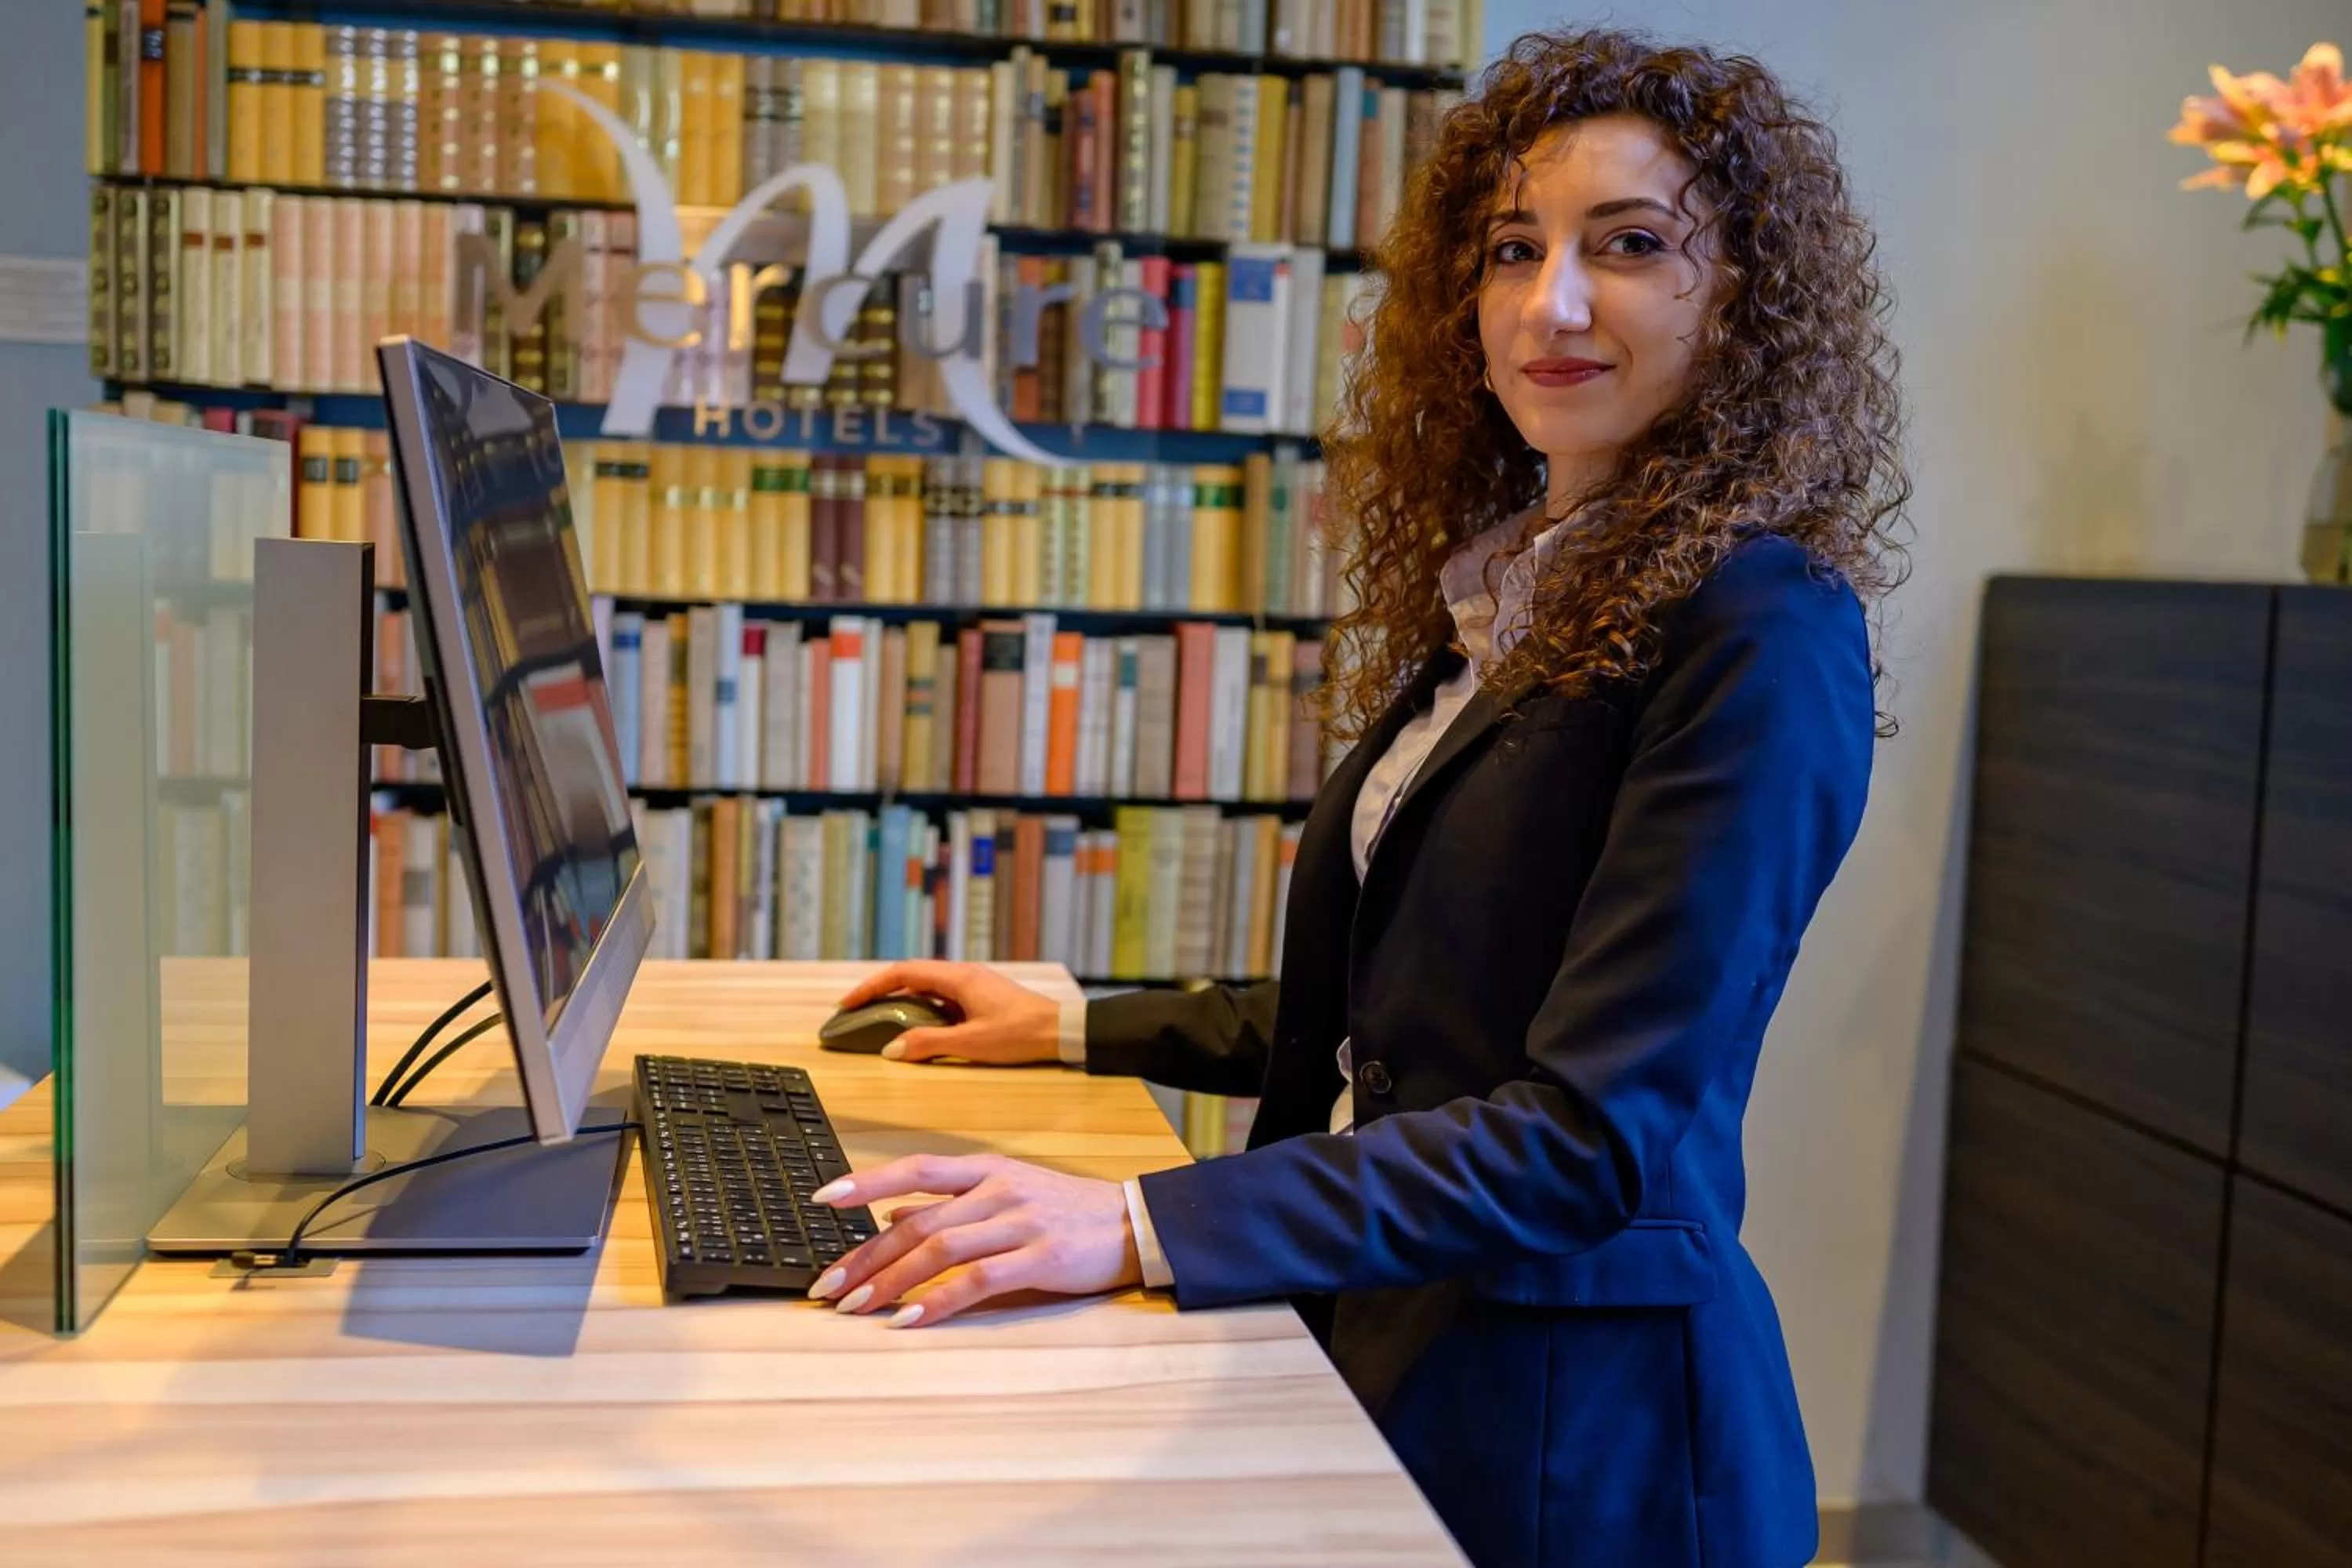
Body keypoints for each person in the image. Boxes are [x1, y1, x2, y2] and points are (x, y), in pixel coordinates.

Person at [806, 25, 1907, 1568]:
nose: (1551, 304)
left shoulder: (1761, 627)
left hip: (1573, 1448)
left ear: (1743, 299)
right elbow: (1422, 1009)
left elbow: (1590, 1133)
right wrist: (1069, 1024)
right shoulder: (1523, 589)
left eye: (1630, 245)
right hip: (1396, 1346)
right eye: (1513, 250)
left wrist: (1131, 1221)